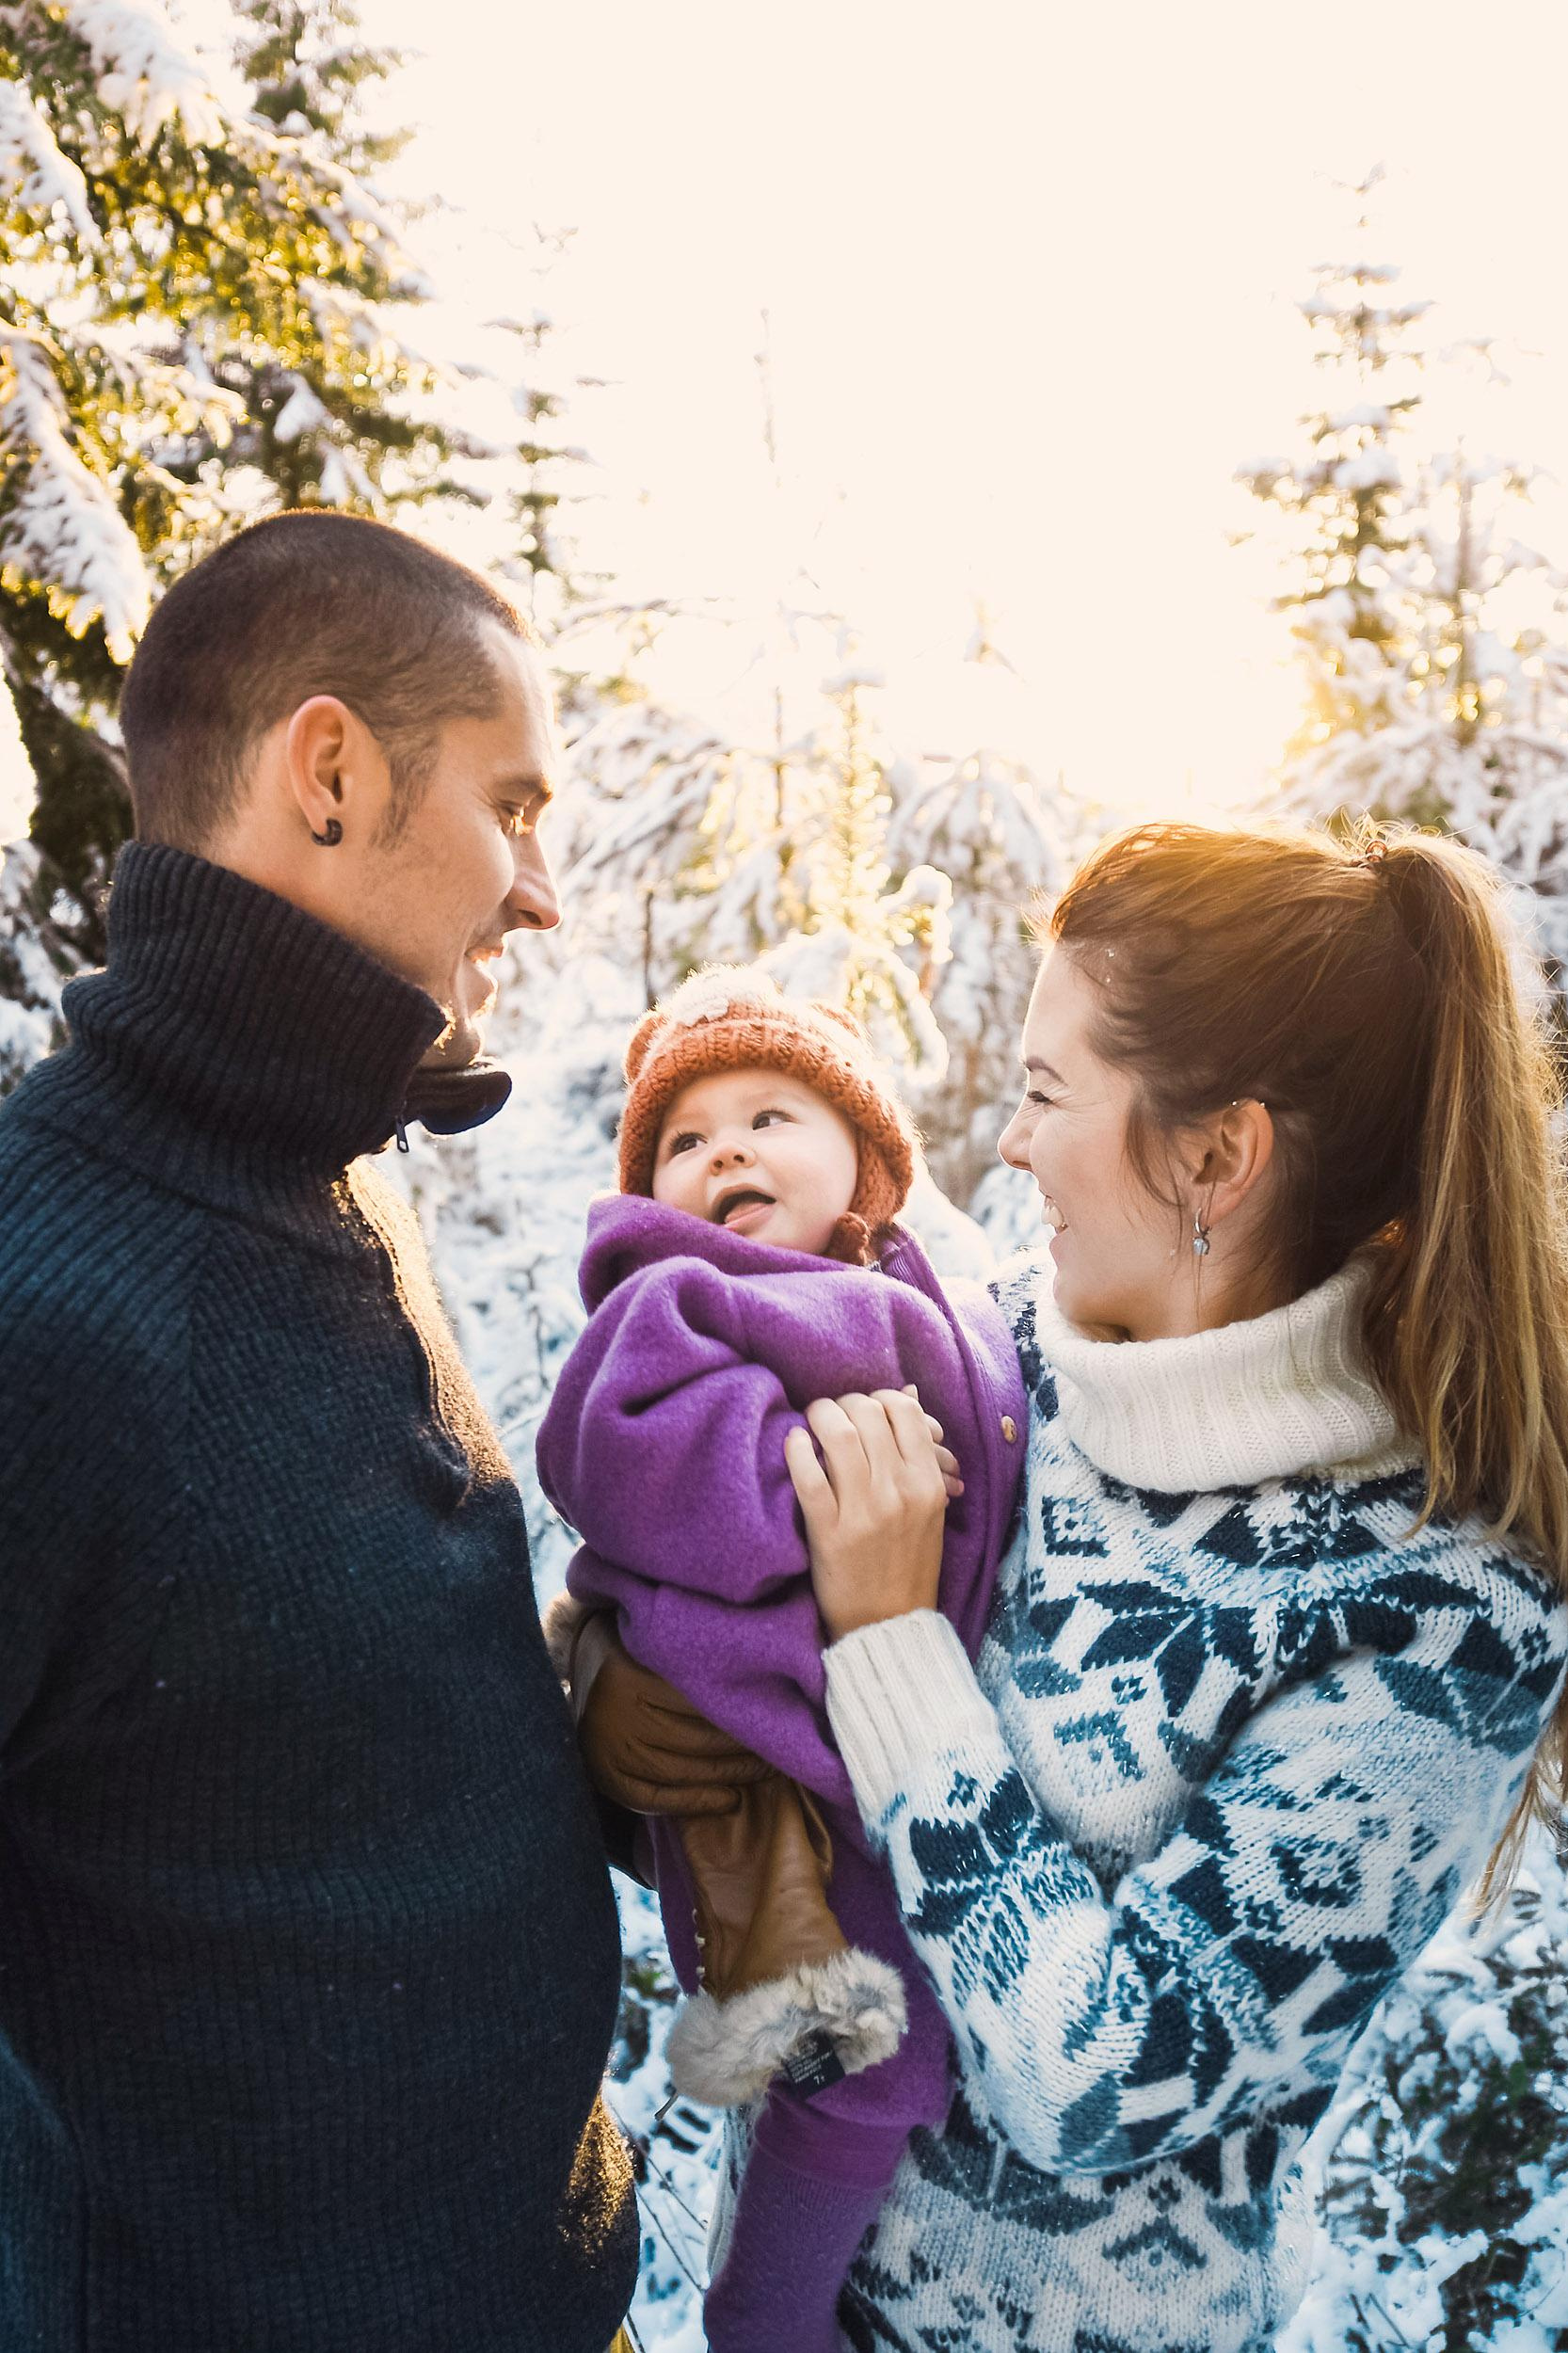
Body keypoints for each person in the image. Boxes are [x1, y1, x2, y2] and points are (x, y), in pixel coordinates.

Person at [587, 818, 1568, 2353]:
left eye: (1047, 1092)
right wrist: (619, 1696)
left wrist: (890, 1654)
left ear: (1217, 1154)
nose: (1004, 1146)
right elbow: (745, 1664)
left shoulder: (1441, 1604)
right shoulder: (985, 1362)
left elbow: (1103, 2075)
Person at [0, 512, 638, 2353]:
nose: (540, 889)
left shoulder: (334, 1166)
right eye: (512, 806)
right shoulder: (44, 1307)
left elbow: (259, 1723)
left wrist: (590, 1719)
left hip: (539, 2286)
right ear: (333, 774)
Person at [536, 968, 1026, 2353]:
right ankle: (762, 2323)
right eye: (685, 1141)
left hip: (880, 1740)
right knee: (864, 2078)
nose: (727, 1151)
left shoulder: (917, 1283)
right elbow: (612, 1444)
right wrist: (814, 1489)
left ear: (867, 1163)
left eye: (769, 1115)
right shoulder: (677, 1298)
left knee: (883, 2050)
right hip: (765, 1764)